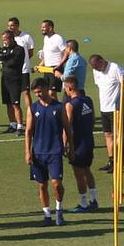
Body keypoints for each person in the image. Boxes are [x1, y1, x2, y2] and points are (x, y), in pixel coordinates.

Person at [25, 78, 70, 226]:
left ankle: (59, 209)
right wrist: (27, 151)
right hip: (38, 153)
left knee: (57, 184)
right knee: (42, 185)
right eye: (35, 92)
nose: (37, 94)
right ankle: (46, 215)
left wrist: (70, 145)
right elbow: (28, 131)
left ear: (46, 88)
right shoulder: (33, 108)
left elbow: (67, 128)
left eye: (39, 91)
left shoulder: (59, 107)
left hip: (55, 152)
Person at [62, 76, 98, 213]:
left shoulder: (70, 105)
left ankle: (83, 203)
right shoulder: (88, 100)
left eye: (65, 88)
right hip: (89, 141)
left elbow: (67, 125)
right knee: (87, 170)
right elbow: (93, 119)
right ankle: (94, 200)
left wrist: (65, 144)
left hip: (78, 144)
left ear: (69, 88)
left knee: (79, 173)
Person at [88, 54, 124, 174]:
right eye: (94, 68)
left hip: (115, 108)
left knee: (116, 136)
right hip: (104, 108)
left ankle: (118, 161)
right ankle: (111, 160)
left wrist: (121, 102)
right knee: (108, 135)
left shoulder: (115, 68)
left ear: (101, 61)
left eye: (97, 66)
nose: (96, 70)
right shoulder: (96, 71)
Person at [0, 29, 27, 134]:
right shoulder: (4, 49)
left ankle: (20, 126)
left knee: (15, 104)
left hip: (15, 80)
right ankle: (12, 124)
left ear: (11, 38)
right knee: (8, 103)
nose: (4, 41)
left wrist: (3, 58)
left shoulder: (19, 49)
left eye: (6, 39)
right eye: (3, 39)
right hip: (5, 79)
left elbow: (12, 63)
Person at [7, 18, 37, 132]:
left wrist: (22, 62)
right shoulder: (8, 38)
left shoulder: (26, 37)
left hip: (24, 70)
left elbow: (30, 53)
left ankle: (30, 115)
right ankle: (15, 122)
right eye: (9, 25)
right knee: (13, 97)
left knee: (26, 93)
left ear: (18, 26)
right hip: (12, 72)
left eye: (13, 25)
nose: (10, 27)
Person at [39, 20, 67, 94]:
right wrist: (40, 65)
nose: (41, 29)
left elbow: (66, 53)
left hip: (56, 68)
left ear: (50, 28)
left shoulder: (58, 38)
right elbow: (47, 55)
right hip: (47, 69)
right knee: (47, 93)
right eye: (41, 27)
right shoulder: (46, 38)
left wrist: (59, 65)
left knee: (52, 93)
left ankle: (58, 106)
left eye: (44, 27)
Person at [61, 39, 87, 104]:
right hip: (81, 90)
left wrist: (59, 75)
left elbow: (66, 77)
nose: (65, 50)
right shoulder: (82, 59)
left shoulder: (72, 60)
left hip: (72, 91)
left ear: (69, 48)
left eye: (66, 48)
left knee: (67, 112)